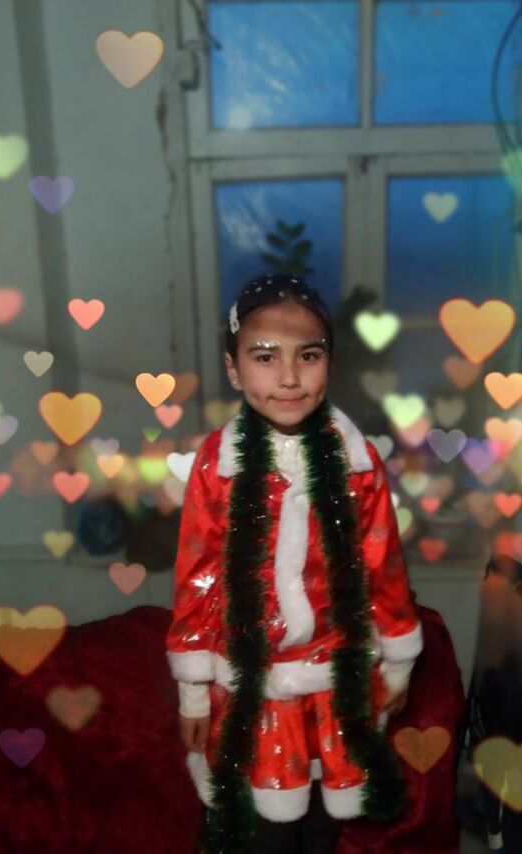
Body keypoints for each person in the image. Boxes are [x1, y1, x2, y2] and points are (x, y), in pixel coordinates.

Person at [166, 273, 424, 853]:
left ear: (329, 361)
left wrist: (398, 661)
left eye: (308, 356)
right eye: (265, 357)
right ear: (234, 369)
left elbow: (382, 564)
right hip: (251, 682)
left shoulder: (358, 462)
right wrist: (194, 690)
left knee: (324, 824)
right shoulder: (217, 463)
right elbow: (198, 574)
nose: (288, 377)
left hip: (336, 679)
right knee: (268, 831)